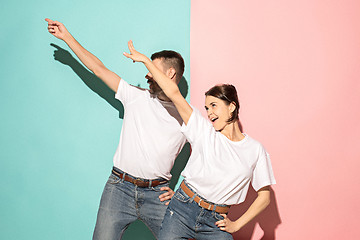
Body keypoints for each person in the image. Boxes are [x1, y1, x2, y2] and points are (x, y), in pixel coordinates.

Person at [45, 19, 188, 240]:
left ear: (169, 73)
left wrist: (182, 193)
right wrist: (67, 37)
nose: (146, 74)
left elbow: (209, 155)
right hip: (119, 189)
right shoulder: (135, 97)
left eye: (151, 68)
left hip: (157, 196)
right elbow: (98, 69)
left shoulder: (187, 117)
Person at [124, 40, 276, 240]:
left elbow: (264, 197)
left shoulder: (255, 150)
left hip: (215, 222)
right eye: (206, 108)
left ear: (231, 106)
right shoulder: (203, 130)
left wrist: (237, 224)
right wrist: (146, 61)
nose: (209, 113)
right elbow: (174, 93)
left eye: (214, 105)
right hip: (181, 210)